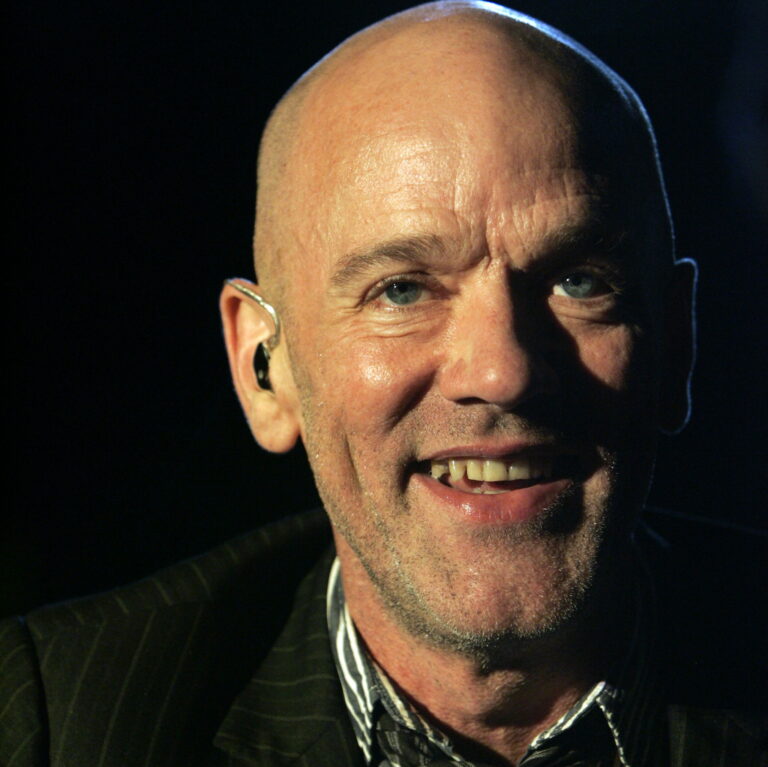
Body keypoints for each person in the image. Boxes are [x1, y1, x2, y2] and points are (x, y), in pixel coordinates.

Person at [1, 3, 765, 765]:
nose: (503, 371)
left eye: (579, 280)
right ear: (265, 369)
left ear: (677, 343)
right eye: (401, 291)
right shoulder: (58, 722)